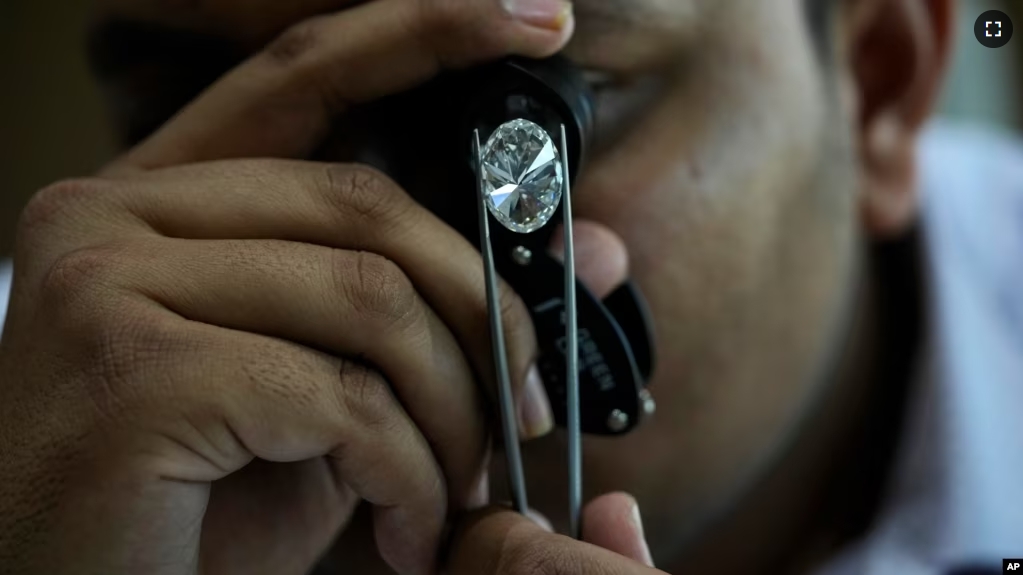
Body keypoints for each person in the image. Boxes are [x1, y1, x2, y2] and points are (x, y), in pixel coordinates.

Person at [0, 0, 1019, 573]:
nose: (358, 272)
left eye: (521, 121)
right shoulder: (44, 446)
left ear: (877, 86)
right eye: (186, 105)